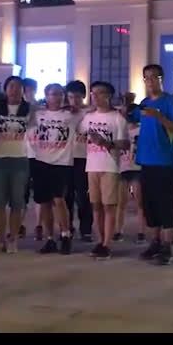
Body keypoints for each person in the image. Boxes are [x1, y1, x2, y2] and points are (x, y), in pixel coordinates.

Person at [128, 64, 173, 266]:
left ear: (161, 79)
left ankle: (167, 246)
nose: (150, 81)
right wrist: (127, 105)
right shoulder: (144, 103)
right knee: (150, 204)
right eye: (146, 78)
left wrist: (159, 116)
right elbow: (130, 118)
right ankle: (154, 242)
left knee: (166, 205)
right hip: (145, 160)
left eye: (154, 77)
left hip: (164, 161)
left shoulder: (169, 101)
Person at [79, 81, 129, 259]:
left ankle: (107, 243)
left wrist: (107, 143)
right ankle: (100, 241)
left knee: (109, 206)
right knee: (96, 205)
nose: (95, 96)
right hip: (92, 165)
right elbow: (79, 131)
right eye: (93, 93)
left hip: (110, 167)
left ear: (108, 95)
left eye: (99, 93)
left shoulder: (117, 118)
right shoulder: (88, 117)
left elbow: (126, 144)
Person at [30, 83, 78, 255]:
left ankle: (65, 235)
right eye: (53, 94)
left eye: (60, 94)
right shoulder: (38, 114)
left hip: (62, 163)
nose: (57, 97)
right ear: (46, 96)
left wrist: (73, 106)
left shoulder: (71, 115)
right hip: (41, 161)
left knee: (59, 199)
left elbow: (89, 109)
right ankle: (49, 238)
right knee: (44, 202)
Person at [0, 76, 34, 254]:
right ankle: (0, 240)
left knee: (17, 202)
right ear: (5, 89)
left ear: (23, 90)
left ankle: (13, 238)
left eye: (18, 87)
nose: (14, 90)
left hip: (19, 159)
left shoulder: (30, 110)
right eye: (11, 86)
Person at [65, 80, 93, 243]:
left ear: (83, 96)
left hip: (84, 159)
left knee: (83, 197)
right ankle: (67, 227)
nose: (74, 101)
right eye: (70, 97)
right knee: (66, 195)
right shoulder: (64, 113)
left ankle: (86, 229)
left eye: (77, 97)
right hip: (66, 159)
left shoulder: (90, 112)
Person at [115, 93, 145, 243]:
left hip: (137, 167)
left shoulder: (142, 129)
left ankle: (141, 231)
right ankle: (118, 230)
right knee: (121, 201)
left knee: (140, 201)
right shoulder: (121, 129)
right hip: (123, 167)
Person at [23, 77, 44, 240]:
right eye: (26, 89)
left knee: (39, 193)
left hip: (39, 156)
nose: (28, 92)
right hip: (23, 155)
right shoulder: (16, 109)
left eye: (31, 89)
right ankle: (19, 225)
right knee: (21, 194)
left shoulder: (41, 109)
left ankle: (39, 225)